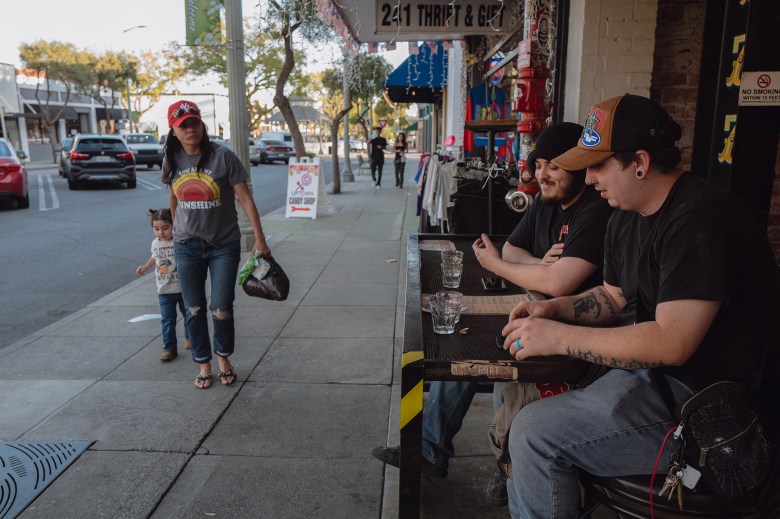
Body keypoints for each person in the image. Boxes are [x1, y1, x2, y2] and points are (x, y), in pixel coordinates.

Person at [499, 94, 779, 518]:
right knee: (519, 398)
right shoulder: (624, 214)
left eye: (597, 165)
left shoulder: (701, 217)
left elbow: (672, 342)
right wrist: (554, 310)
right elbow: (612, 298)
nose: (589, 179)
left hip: (707, 409)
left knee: (535, 434)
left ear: (641, 163)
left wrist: (558, 336)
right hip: (655, 380)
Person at [370, 122, 614, 506]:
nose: (542, 174)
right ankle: (436, 448)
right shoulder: (547, 203)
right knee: (461, 337)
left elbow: (557, 283)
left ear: (582, 169)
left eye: (554, 166)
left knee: (486, 355)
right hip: (536, 311)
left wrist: (503, 267)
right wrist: (537, 265)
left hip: (572, 335)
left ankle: (507, 466)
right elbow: (513, 250)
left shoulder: (594, 212)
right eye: (539, 164)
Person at [161, 100, 271, 390]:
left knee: (221, 307)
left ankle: (223, 357)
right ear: (173, 130)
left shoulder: (223, 157)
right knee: (194, 308)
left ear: (202, 125)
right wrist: (176, 227)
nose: (189, 130)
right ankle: (203, 363)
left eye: (193, 123)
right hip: (187, 246)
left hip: (223, 244)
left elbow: (245, 198)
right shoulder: (171, 159)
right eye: (182, 125)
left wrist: (260, 238)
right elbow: (173, 195)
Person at [135, 207, 190, 362]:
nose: (161, 232)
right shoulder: (155, 244)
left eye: (165, 228)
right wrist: (145, 267)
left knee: (188, 316)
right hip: (164, 289)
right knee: (167, 320)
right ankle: (169, 348)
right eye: (156, 229)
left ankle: (189, 338)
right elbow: (155, 257)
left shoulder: (178, 240)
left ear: (174, 225)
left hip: (182, 287)